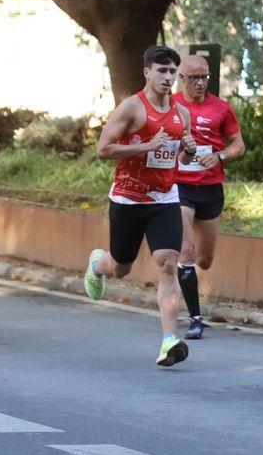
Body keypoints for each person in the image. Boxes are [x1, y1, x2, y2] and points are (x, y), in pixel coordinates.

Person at [82, 45, 200, 368]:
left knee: (167, 263)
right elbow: (103, 149)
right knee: (121, 266)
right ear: (146, 72)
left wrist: (188, 150)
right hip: (128, 199)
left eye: (172, 72)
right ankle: (97, 265)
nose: (167, 77)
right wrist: (146, 145)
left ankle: (168, 341)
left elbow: (179, 157)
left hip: (164, 198)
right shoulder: (132, 108)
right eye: (161, 71)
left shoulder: (182, 114)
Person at [173, 55, 245, 340]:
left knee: (204, 260)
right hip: (180, 186)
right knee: (186, 251)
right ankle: (195, 319)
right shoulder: (173, 106)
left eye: (204, 77)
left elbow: (238, 145)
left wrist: (219, 156)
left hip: (211, 188)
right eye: (194, 78)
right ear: (182, 78)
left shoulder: (221, 108)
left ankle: (184, 278)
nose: (200, 83)